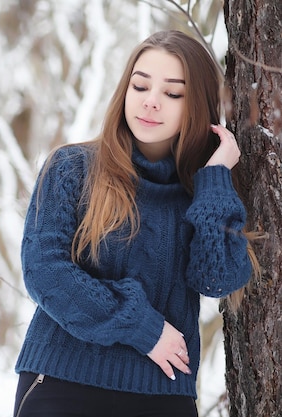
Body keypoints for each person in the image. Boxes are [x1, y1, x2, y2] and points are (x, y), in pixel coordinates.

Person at [13, 30, 258, 417]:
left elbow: (219, 278)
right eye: (140, 85)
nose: (150, 102)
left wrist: (214, 180)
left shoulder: (202, 191)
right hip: (64, 384)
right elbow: (44, 271)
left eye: (172, 93)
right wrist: (143, 327)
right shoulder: (71, 168)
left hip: (163, 396)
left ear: (197, 106)